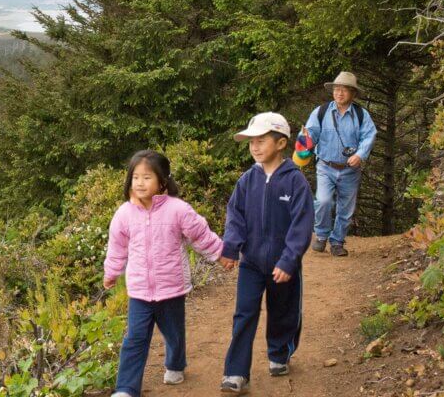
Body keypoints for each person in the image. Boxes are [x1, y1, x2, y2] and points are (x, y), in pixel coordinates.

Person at [104, 149, 225, 397]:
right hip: (139, 291)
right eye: (135, 177)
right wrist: (112, 272)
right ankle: (126, 388)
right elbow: (117, 248)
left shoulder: (177, 209)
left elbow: (200, 235)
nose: (140, 182)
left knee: (174, 334)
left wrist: (221, 254)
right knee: (135, 340)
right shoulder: (124, 213)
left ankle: (175, 364)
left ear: (162, 181)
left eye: (147, 177)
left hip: (171, 288)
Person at [219, 112, 314, 394]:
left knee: (282, 312)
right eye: (251, 142)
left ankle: (278, 354)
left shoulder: (295, 181)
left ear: (281, 142)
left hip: (284, 265)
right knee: (244, 314)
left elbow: (302, 225)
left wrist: (289, 260)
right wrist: (231, 248)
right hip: (251, 264)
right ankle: (235, 373)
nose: (255, 147)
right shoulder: (247, 180)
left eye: (261, 141)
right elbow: (235, 216)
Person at [304, 71, 377, 257]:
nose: (339, 93)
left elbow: (369, 135)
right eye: (337, 89)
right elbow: (310, 134)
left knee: (346, 208)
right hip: (325, 166)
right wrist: (305, 141)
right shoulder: (321, 112)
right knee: (323, 201)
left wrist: (360, 155)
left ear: (353, 93)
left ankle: (337, 242)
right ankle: (321, 236)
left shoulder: (361, 115)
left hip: (350, 170)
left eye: (344, 90)